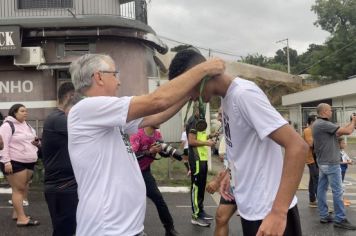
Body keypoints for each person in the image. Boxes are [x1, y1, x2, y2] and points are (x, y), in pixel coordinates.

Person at [67, 53, 224, 236]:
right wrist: (204, 68)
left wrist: (190, 92)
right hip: (107, 230)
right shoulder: (87, 109)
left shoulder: (106, 115)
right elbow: (157, 101)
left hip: (126, 229)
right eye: (114, 74)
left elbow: (156, 116)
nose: (118, 82)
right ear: (99, 77)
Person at [168, 48, 308, 236]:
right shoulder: (228, 99)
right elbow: (243, 147)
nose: (190, 97)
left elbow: (297, 146)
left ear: (201, 77)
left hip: (269, 211)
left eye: (188, 88)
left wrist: (278, 212)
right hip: (251, 207)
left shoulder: (244, 94)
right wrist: (229, 174)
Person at [41, 82, 78, 236]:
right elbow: (89, 130)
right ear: (71, 96)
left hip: (68, 186)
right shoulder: (57, 119)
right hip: (62, 188)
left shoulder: (62, 118)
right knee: (65, 232)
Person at [312, 103, 356, 230]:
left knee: (321, 189)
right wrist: (353, 121)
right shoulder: (323, 124)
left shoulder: (319, 124)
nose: (331, 112)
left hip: (323, 163)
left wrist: (352, 123)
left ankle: (324, 215)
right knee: (337, 191)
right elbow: (347, 131)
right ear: (325, 111)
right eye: (330, 110)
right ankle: (340, 219)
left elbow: (342, 131)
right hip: (331, 163)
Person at [130, 125, 180, 236]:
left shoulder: (157, 134)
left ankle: (170, 229)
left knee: (159, 199)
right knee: (131, 203)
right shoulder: (137, 134)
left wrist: (171, 153)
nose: (160, 120)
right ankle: (131, 230)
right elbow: (131, 156)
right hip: (130, 173)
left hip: (145, 172)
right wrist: (149, 151)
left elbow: (162, 152)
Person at [0, 104, 40, 226]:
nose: (25, 113)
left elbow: (33, 139)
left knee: (22, 189)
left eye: (26, 111)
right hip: (15, 162)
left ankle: (16, 214)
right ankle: (22, 219)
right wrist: (6, 162)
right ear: (14, 113)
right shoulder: (7, 126)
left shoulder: (27, 125)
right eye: (22, 111)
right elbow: (3, 145)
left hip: (29, 161)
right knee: (19, 190)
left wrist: (36, 142)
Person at [206, 108, 237, 236]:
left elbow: (240, 160)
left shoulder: (240, 131)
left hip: (250, 184)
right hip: (232, 181)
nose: (218, 118)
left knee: (254, 223)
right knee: (220, 217)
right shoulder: (228, 133)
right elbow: (231, 161)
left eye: (220, 115)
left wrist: (218, 181)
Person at [185, 103, 216, 227]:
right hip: (196, 159)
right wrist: (208, 144)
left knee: (201, 185)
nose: (202, 112)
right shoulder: (193, 121)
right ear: (196, 109)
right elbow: (191, 141)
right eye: (201, 109)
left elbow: (199, 137)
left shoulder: (199, 121)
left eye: (203, 109)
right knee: (196, 187)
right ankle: (195, 216)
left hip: (202, 158)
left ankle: (201, 211)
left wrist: (209, 137)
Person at [303, 115, 319, 208]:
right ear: (312, 122)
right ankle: (320, 201)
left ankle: (312, 200)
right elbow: (310, 144)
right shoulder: (308, 130)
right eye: (316, 121)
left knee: (313, 180)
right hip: (311, 158)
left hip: (314, 158)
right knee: (316, 178)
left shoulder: (312, 130)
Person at [338, 137, 352, 206]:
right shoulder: (337, 152)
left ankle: (341, 199)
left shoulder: (342, 151)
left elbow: (347, 158)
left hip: (343, 170)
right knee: (339, 186)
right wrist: (347, 162)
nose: (345, 144)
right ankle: (340, 200)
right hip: (339, 170)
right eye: (343, 143)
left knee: (341, 185)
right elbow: (338, 162)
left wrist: (350, 161)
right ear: (338, 144)